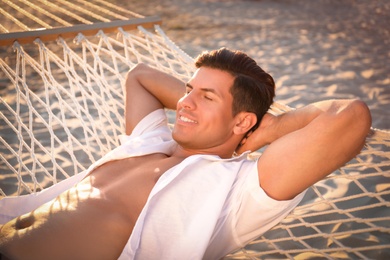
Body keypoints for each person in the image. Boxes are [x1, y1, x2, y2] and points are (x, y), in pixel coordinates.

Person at [0, 48, 371, 260]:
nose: (183, 103)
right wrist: (203, 104)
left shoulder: (238, 187)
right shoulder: (150, 141)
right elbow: (140, 75)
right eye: (188, 89)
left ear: (243, 121)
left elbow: (350, 117)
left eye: (206, 96)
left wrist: (270, 129)